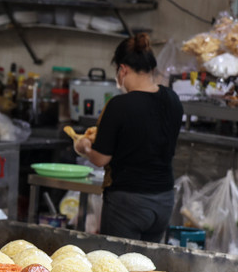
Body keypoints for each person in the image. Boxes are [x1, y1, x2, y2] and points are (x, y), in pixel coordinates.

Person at [74, 33, 182, 242]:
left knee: (118, 267)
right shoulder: (173, 99)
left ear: (122, 69)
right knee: (148, 267)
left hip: (128, 202)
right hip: (164, 200)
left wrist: (84, 147)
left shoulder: (119, 106)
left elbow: (101, 158)